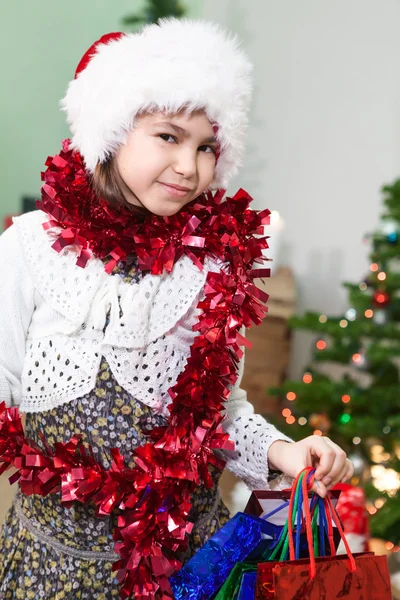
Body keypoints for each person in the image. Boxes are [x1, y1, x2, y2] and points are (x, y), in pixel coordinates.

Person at [0, 18, 353, 599]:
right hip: (52, 570)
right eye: (168, 137)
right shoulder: (32, 247)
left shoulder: (213, 267)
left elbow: (220, 411)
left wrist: (284, 451)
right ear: (110, 134)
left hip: (184, 568)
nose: (190, 167)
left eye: (206, 146)